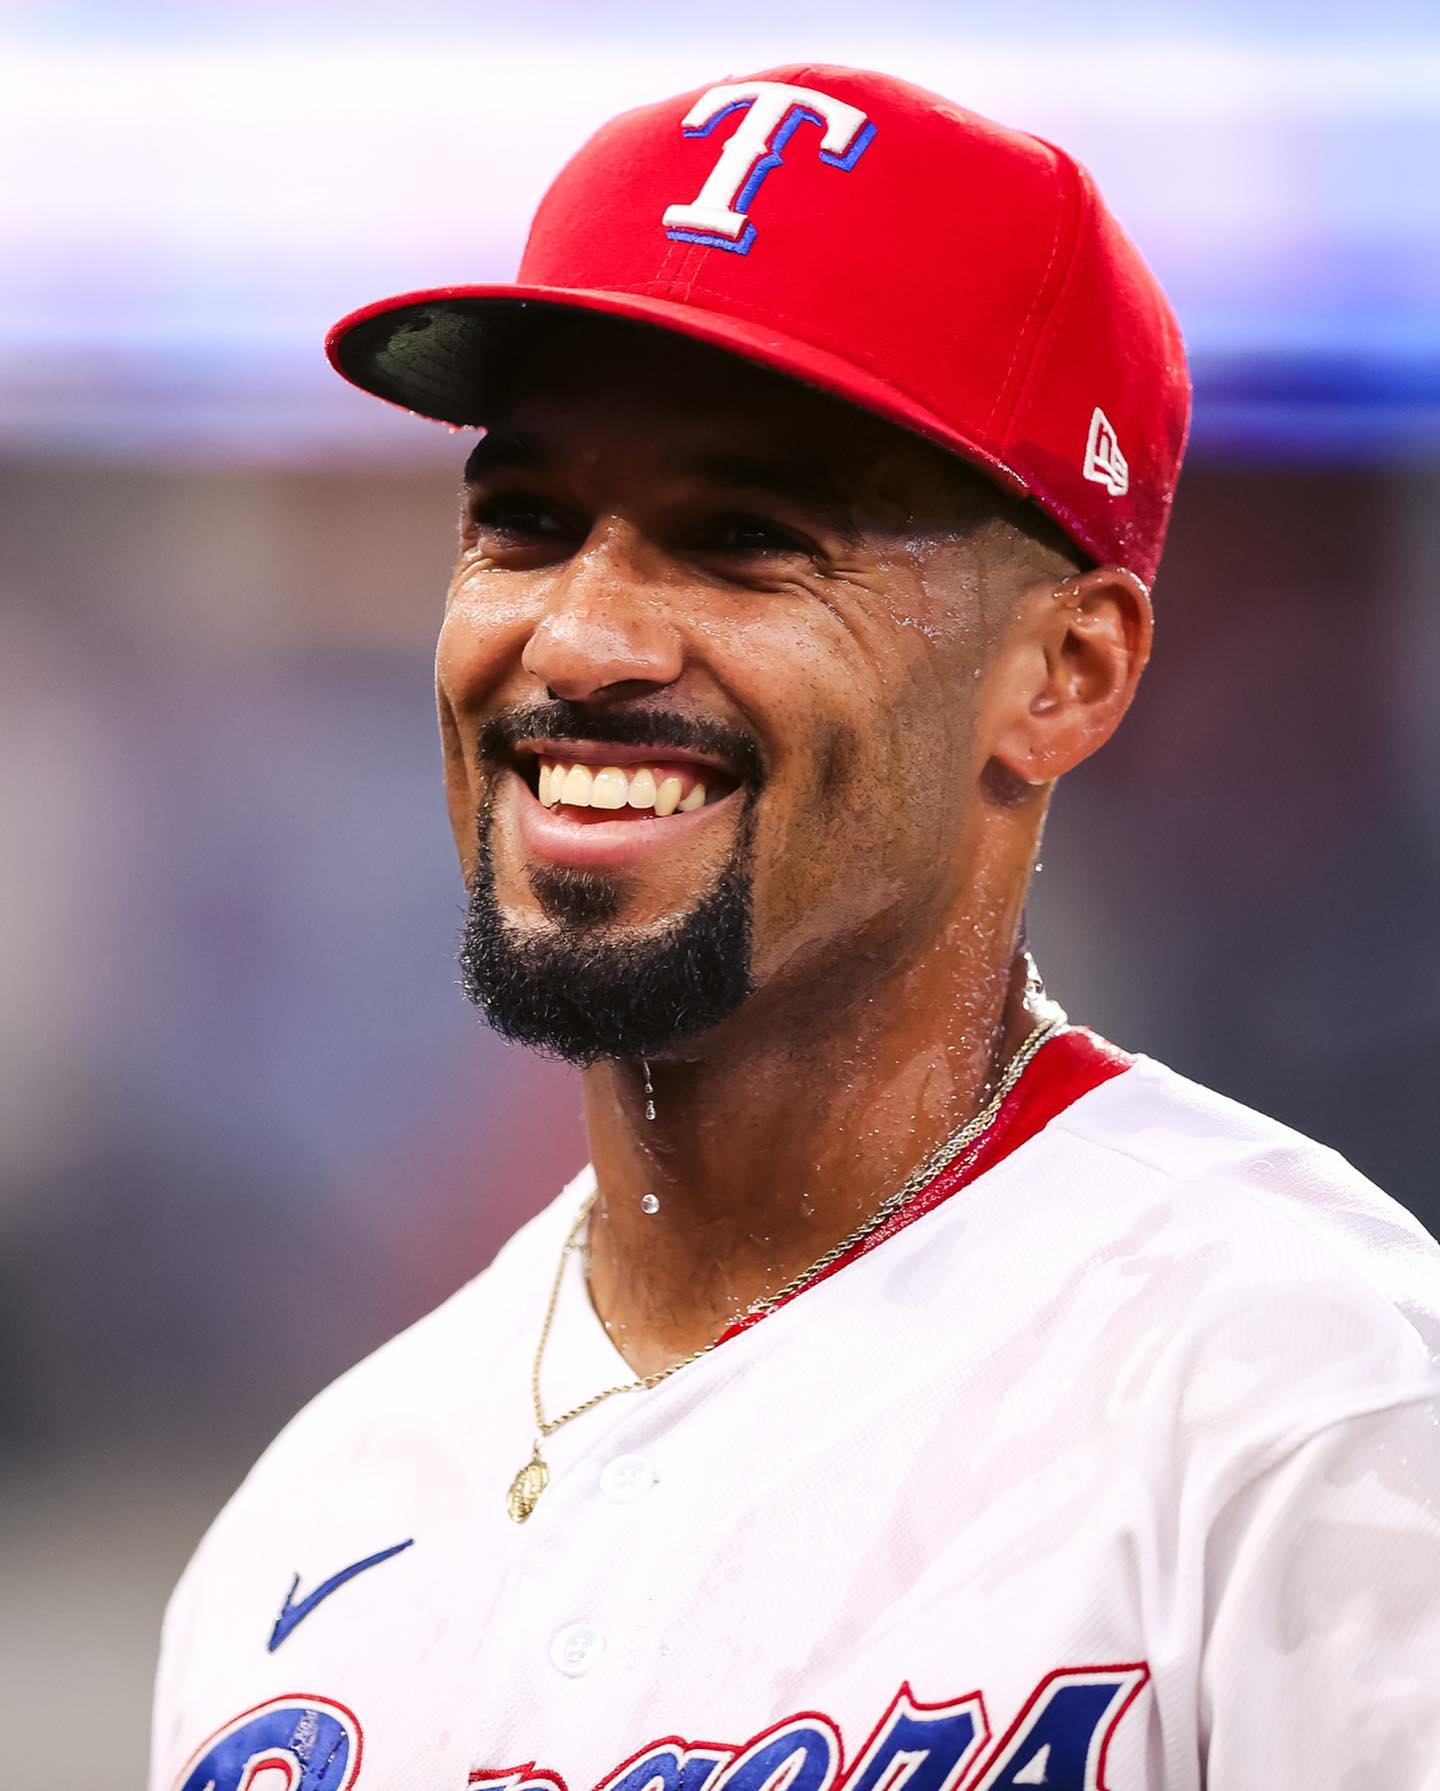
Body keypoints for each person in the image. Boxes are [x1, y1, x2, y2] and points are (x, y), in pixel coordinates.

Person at [150, 64, 1440, 1791]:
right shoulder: (300, 1534)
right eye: (524, 524)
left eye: (747, 539)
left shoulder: (1304, 1400)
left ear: (1066, 673)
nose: (581, 639)